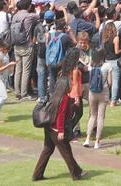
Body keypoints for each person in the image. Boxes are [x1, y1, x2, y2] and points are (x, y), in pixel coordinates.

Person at [33, 50, 84, 182]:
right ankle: (76, 174)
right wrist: (61, 130)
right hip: (56, 127)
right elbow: (61, 114)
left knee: (48, 149)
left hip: (49, 124)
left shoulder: (60, 83)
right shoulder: (64, 97)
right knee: (66, 151)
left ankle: (37, 175)